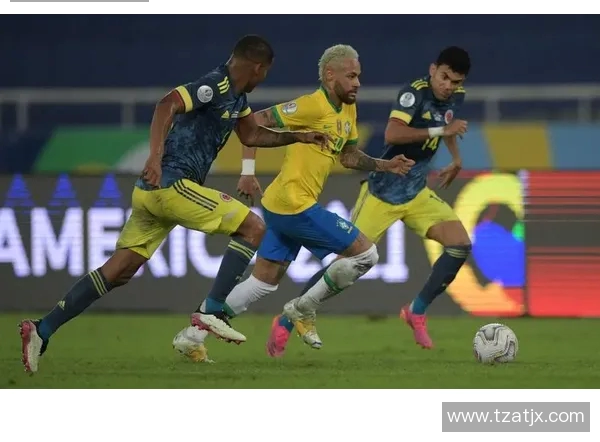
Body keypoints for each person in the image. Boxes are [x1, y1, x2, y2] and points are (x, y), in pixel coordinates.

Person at [19, 34, 330, 374]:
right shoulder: (214, 85)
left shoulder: (237, 97)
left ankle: (42, 329)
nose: (264, 78)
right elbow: (166, 105)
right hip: (171, 184)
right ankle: (211, 310)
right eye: (266, 71)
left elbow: (252, 135)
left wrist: (299, 136)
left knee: (119, 270)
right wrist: (155, 157)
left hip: (151, 193)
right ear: (257, 67)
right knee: (253, 227)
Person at [172, 44, 415, 362]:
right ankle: (304, 309)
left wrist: (386, 165)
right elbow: (253, 122)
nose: (357, 82)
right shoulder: (310, 106)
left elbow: (348, 156)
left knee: (262, 283)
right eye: (351, 76)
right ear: (330, 75)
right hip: (293, 204)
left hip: (281, 203)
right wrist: (248, 171)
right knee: (366, 254)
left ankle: (192, 336)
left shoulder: (347, 109)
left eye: (359, 76)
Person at [267, 46, 472, 356]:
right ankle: (285, 320)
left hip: (416, 193)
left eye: (455, 82)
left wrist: (455, 157)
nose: (448, 86)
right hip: (381, 194)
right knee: (344, 265)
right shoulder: (413, 94)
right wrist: (442, 129)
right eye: (444, 77)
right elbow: (393, 134)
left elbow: (447, 124)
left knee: (459, 245)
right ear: (433, 70)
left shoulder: (455, 97)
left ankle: (416, 310)